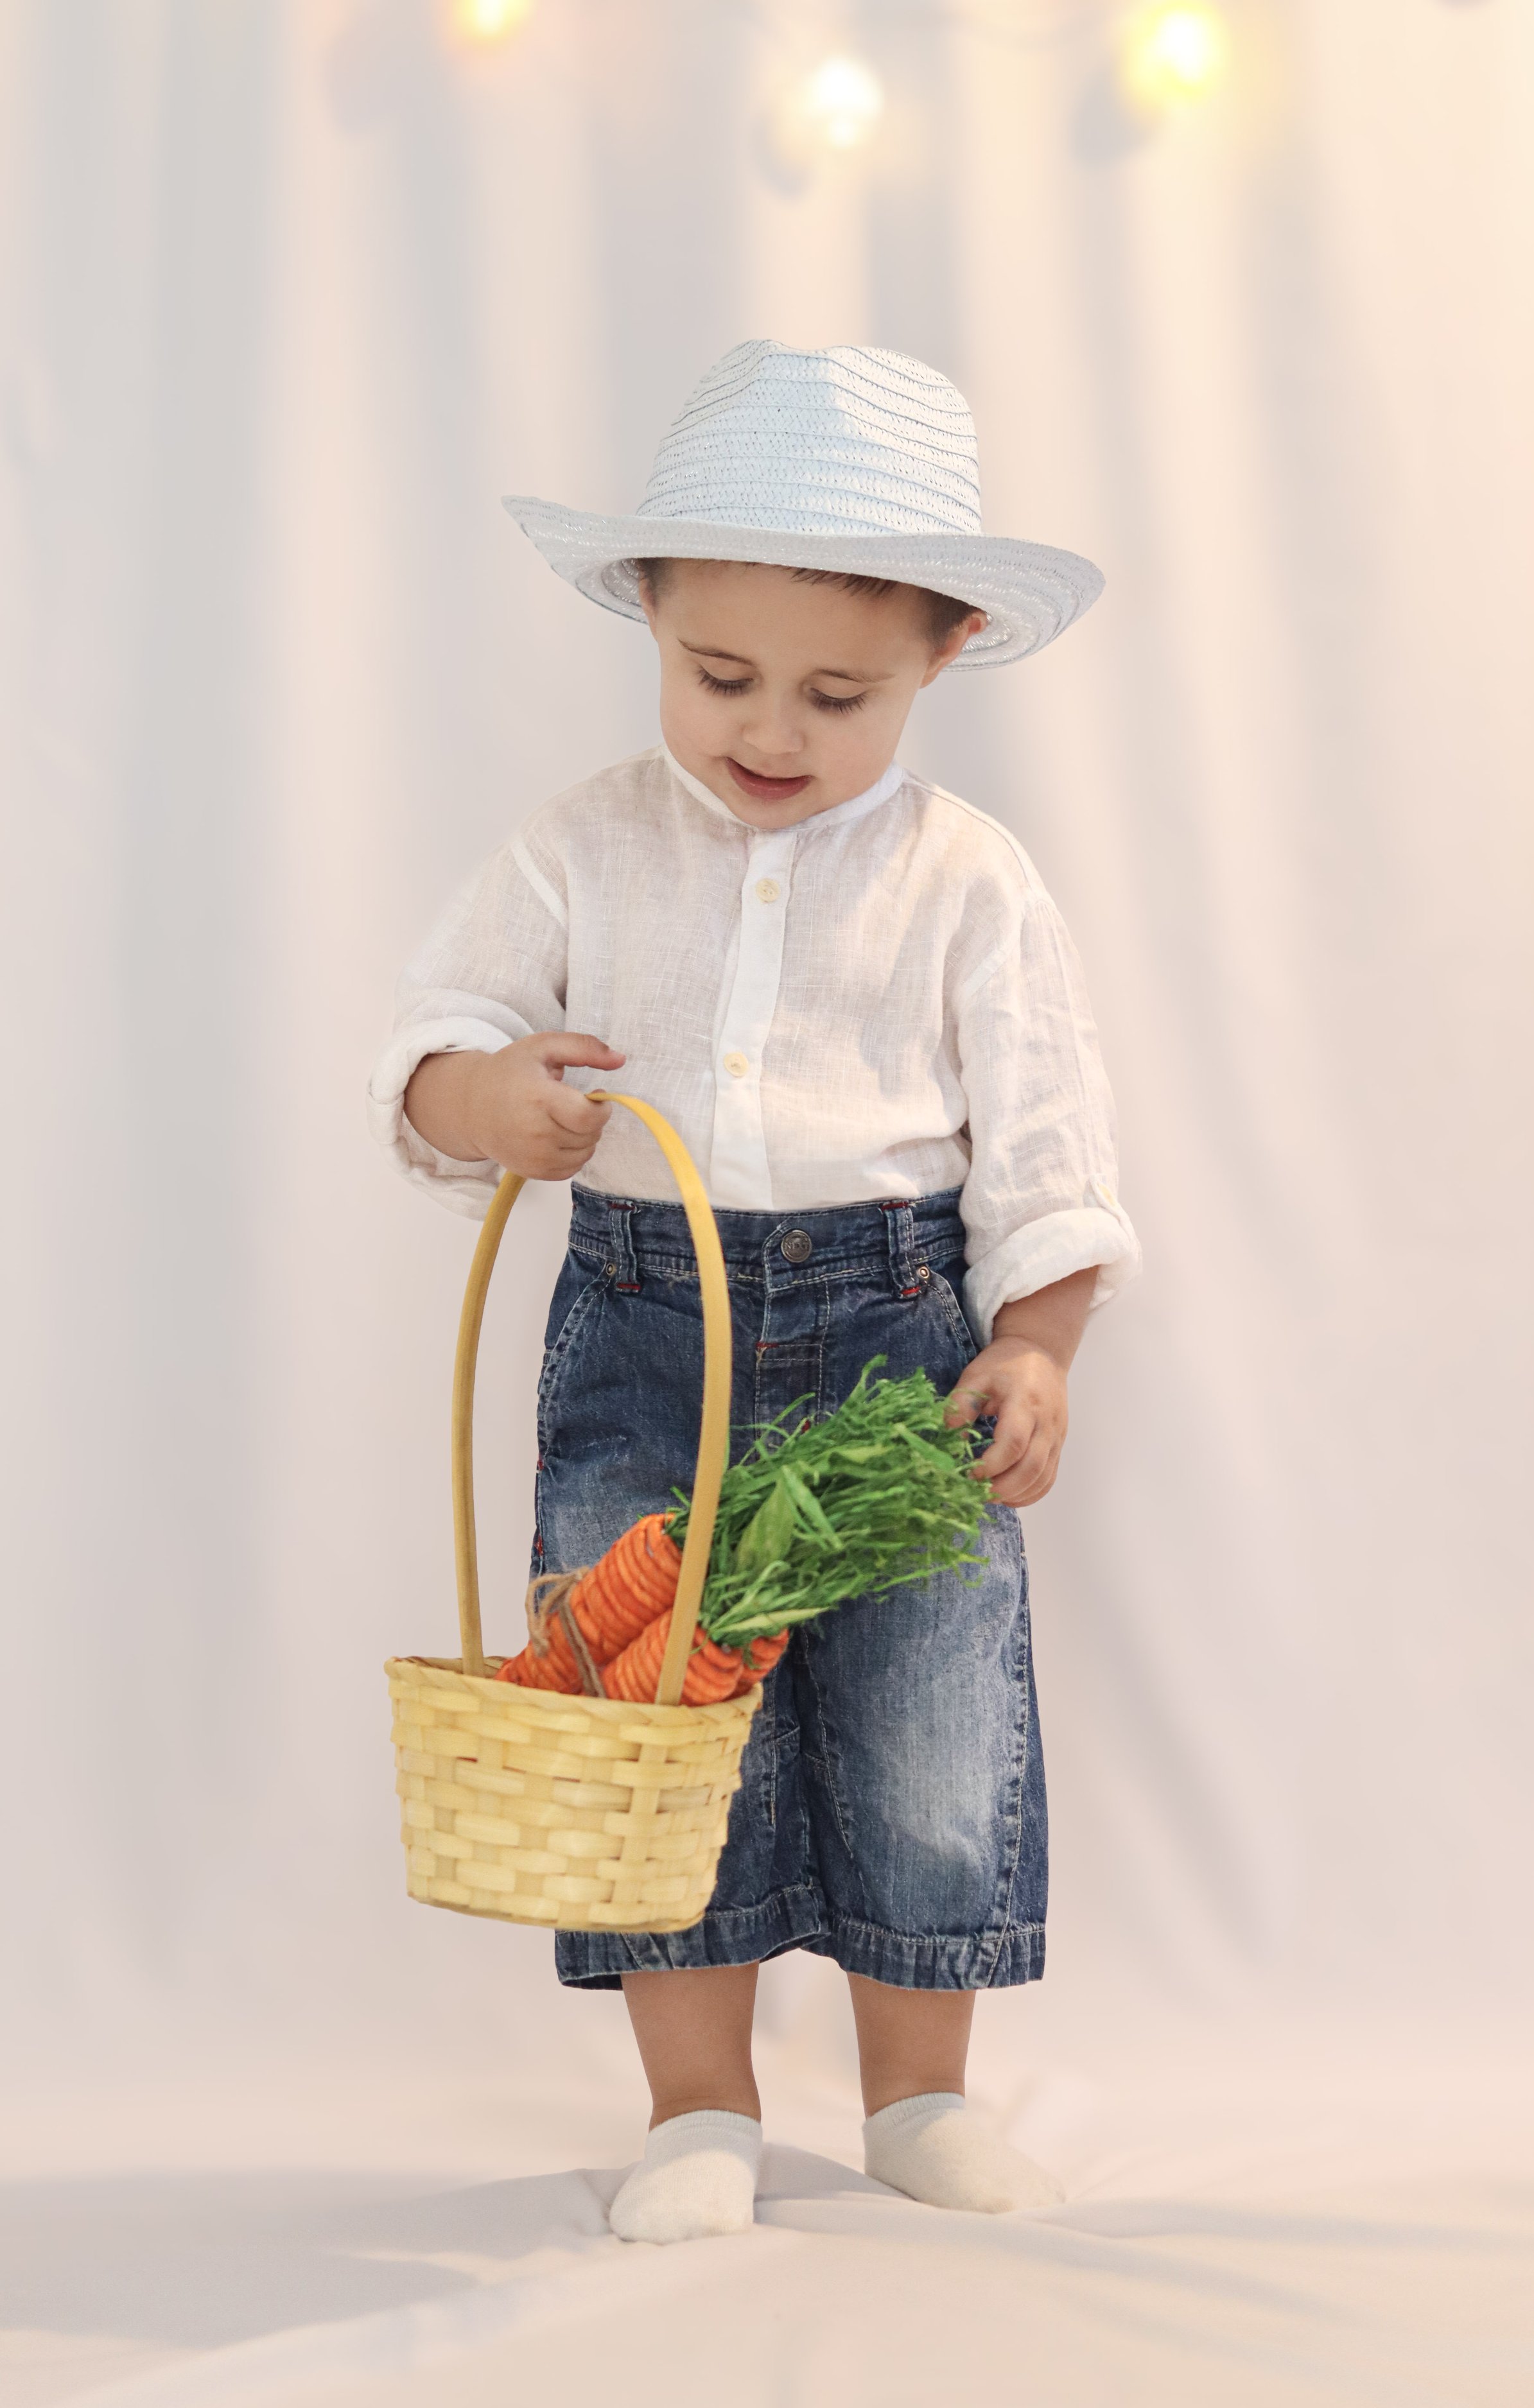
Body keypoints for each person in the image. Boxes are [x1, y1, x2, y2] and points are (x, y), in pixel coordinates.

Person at [369, 340, 1139, 2242]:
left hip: (896, 1336)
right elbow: (435, 1041)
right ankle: (695, 2108)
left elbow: (1048, 1143)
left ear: (942, 655)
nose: (770, 728)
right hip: (644, 1319)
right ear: (650, 615)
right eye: (720, 678)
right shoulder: (584, 840)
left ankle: (915, 2098)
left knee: (927, 1715)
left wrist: (1034, 1342)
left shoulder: (968, 877)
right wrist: (488, 1097)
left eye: (836, 691)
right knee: (650, 1730)